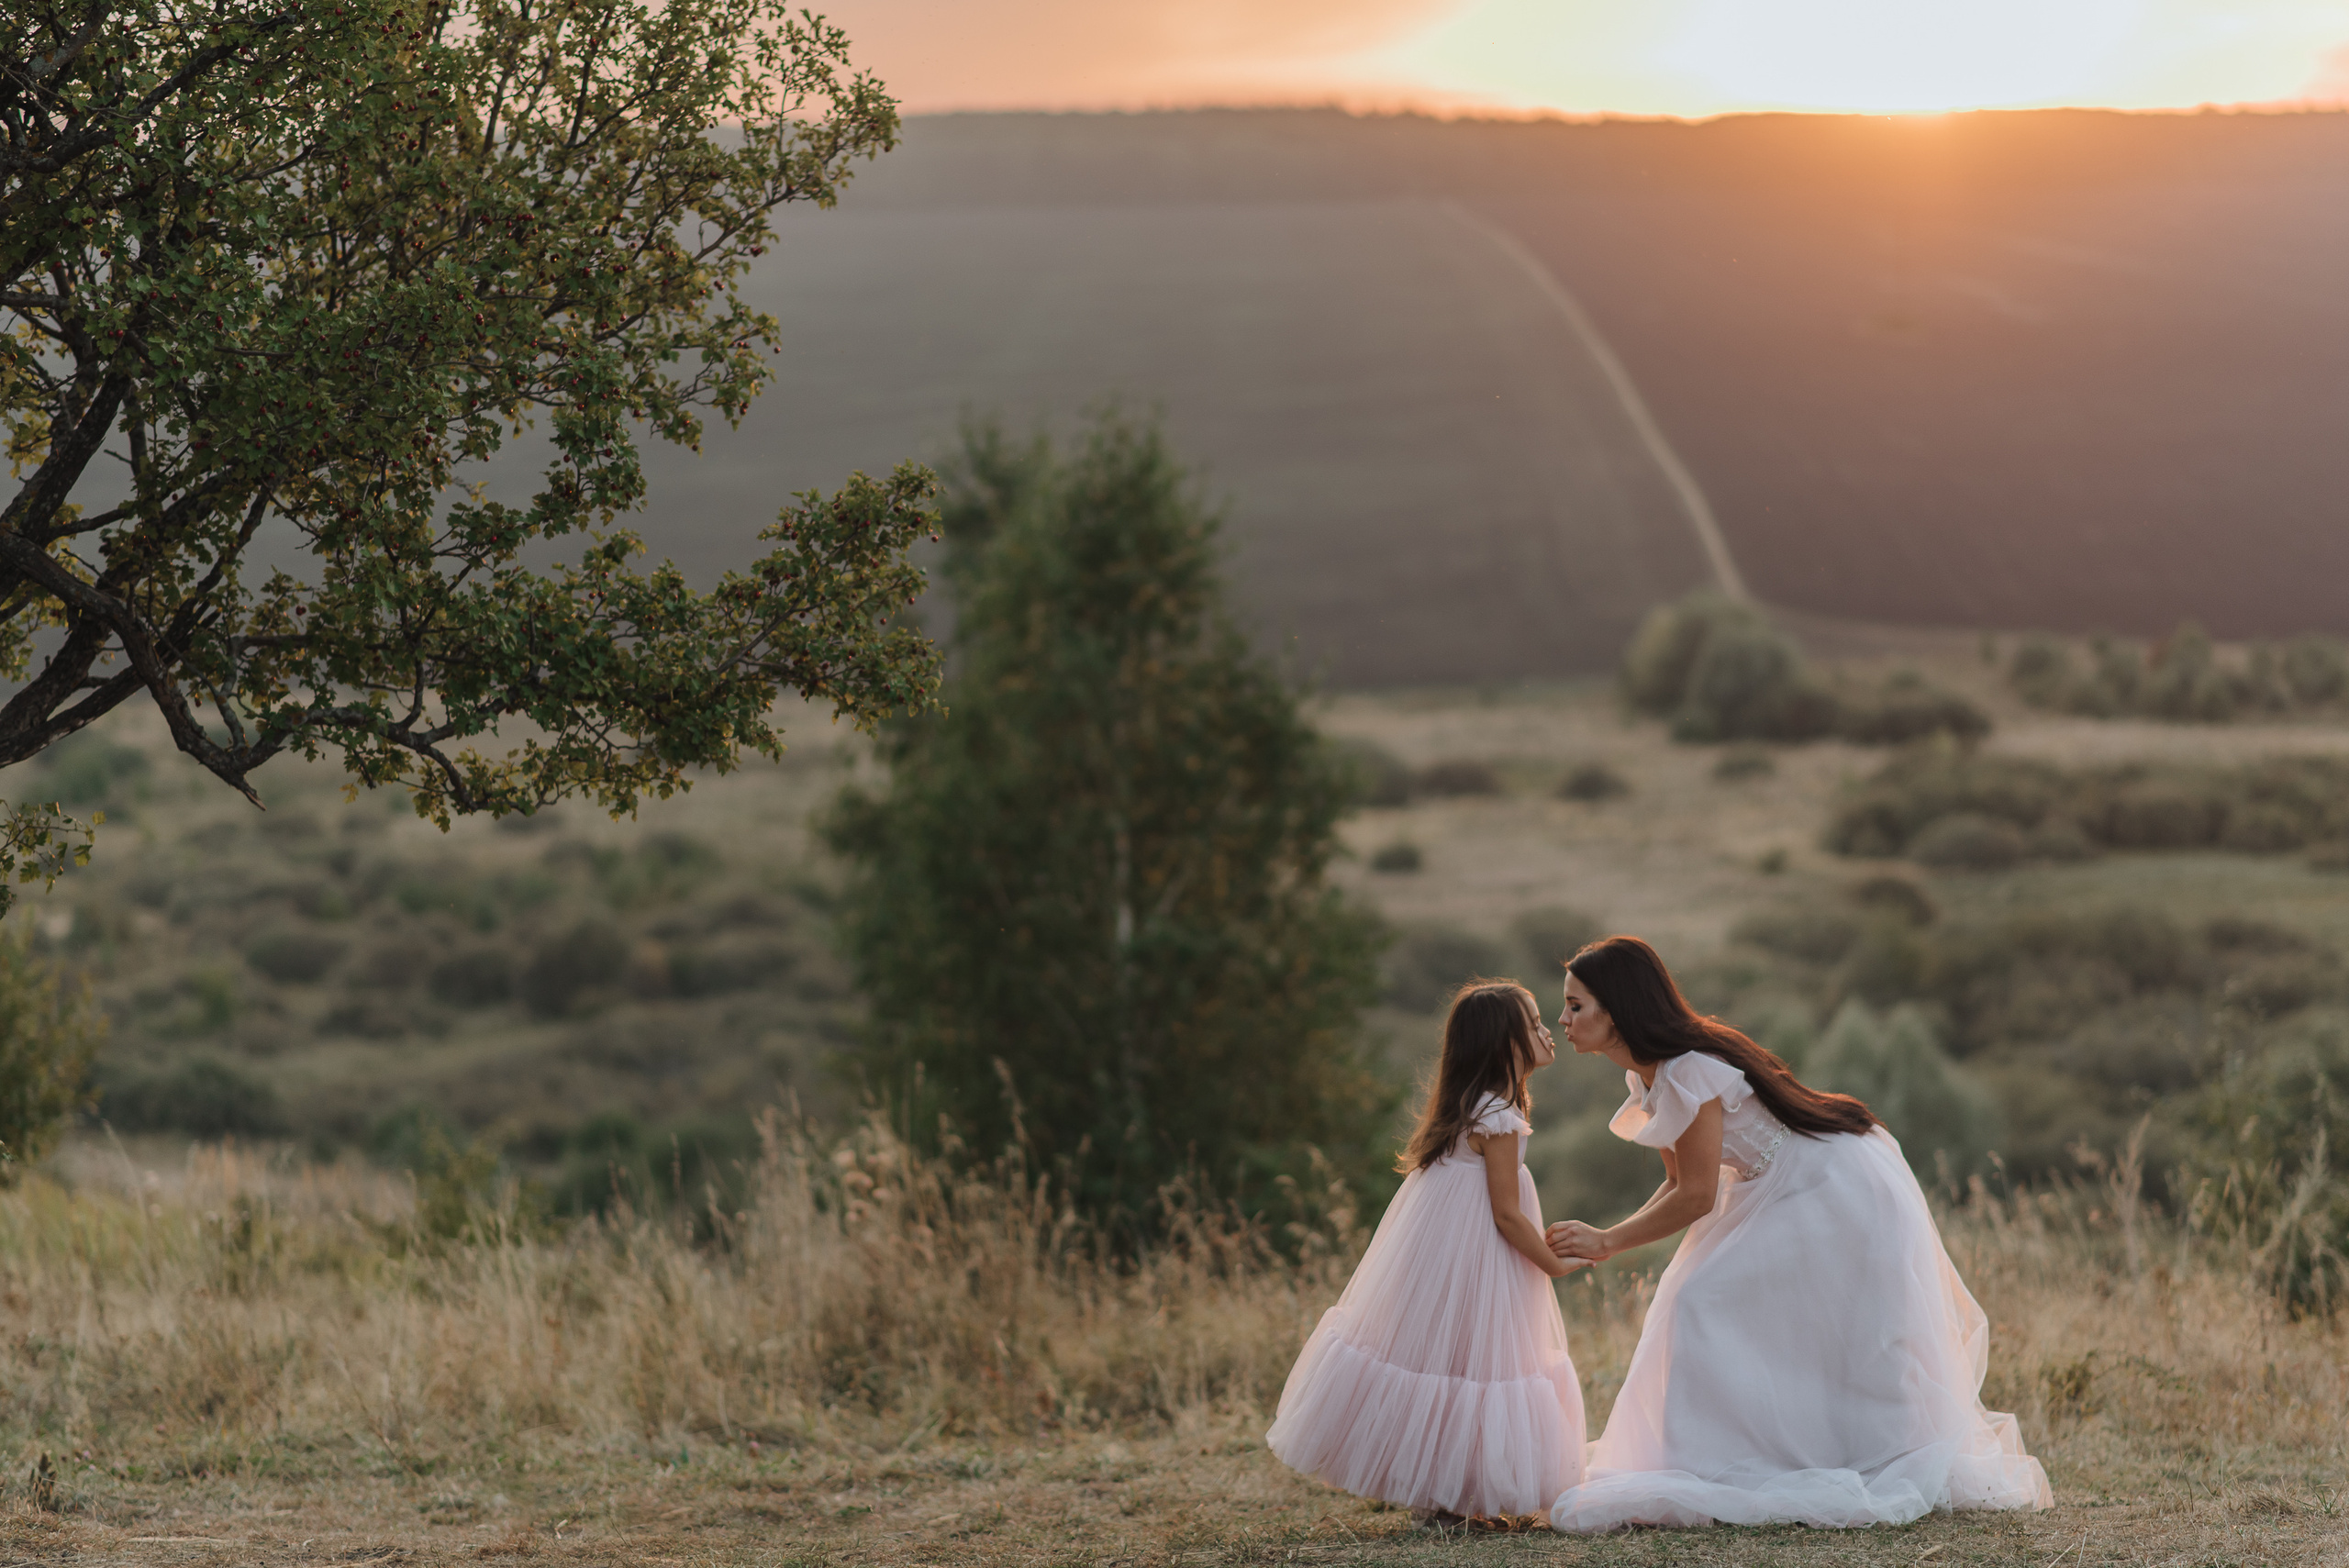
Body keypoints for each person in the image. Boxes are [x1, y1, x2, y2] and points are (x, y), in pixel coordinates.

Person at [1544, 936, 2052, 1532]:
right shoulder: (1649, 1074)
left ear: (1616, 1009)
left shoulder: (1687, 1068)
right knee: (1708, 1301)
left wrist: (1607, 1240)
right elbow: (1679, 1180)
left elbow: (1698, 1197)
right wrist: (1610, 1237)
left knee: (1706, 1300)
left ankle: (1755, 1462)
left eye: (1575, 1005)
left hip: (1830, 1183)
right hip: (1776, 1186)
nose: (1563, 1019)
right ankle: (1719, 1457)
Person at [1266, 981, 1586, 1521]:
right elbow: (1507, 1214)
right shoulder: (1499, 1117)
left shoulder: (1472, 1106)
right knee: (1480, 1361)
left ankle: (1445, 1497)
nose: (1547, 1030)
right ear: (1503, 1043)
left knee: (1453, 1358)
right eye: (1533, 1024)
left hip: (1449, 1248)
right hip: (1478, 1252)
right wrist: (1552, 1262)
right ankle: (1455, 1496)